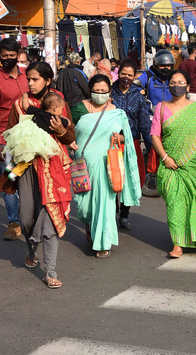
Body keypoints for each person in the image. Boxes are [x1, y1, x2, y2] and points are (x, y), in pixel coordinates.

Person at [5, 62, 76, 288]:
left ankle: (50, 272)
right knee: (26, 218)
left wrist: (62, 131)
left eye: (35, 79)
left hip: (54, 169)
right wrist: (7, 169)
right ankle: (30, 246)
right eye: (29, 79)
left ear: (47, 80)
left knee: (51, 217)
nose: (31, 83)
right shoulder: (19, 104)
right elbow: (10, 136)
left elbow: (70, 134)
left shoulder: (58, 102)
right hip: (26, 169)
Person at [72, 75, 141, 259]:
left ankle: (103, 242)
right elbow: (69, 132)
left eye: (104, 91)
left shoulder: (116, 113)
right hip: (82, 163)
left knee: (104, 202)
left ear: (109, 92)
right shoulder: (79, 109)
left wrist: (120, 138)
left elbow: (126, 135)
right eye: (96, 90)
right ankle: (89, 225)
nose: (100, 94)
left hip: (105, 163)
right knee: (84, 206)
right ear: (90, 89)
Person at [151, 69, 196, 258]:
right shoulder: (161, 108)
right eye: (173, 82)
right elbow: (155, 136)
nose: (176, 86)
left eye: (181, 83)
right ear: (168, 85)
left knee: (193, 200)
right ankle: (178, 243)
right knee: (174, 202)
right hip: (170, 164)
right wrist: (165, 158)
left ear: (188, 86)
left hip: (193, 163)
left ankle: (194, 235)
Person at [0, 38, 28, 241]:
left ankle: (30, 217)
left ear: (18, 55)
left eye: (11, 56)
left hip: (29, 140)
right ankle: (13, 222)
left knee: (29, 179)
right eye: (4, 56)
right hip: (7, 141)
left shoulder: (28, 76)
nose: (8, 59)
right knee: (10, 180)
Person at [110, 58, 152, 229]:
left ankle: (124, 214)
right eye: (123, 74)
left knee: (128, 181)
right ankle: (111, 213)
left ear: (135, 76)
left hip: (131, 143)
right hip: (111, 143)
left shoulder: (138, 96)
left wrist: (150, 147)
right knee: (111, 180)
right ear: (118, 73)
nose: (126, 77)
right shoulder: (109, 92)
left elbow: (144, 123)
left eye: (129, 75)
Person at [3, 92, 70, 181]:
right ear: (55, 108)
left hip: (28, 132)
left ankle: (11, 164)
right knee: (29, 157)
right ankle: (15, 173)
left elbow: (26, 107)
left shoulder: (39, 111)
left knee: (20, 149)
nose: (62, 112)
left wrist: (25, 96)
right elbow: (69, 123)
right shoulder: (56, 119)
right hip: (38, 140)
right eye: (61, 109)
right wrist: (63, 117)